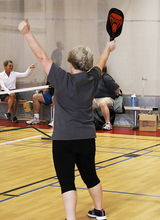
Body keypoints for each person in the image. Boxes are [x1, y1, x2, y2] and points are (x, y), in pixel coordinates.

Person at [19, 18, 115, 220]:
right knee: (91, 175)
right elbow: (101, 62)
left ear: (70, 63)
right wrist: (108, 48)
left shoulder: (61, 79)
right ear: (87, 65)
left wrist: (27, 33)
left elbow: (42, 57)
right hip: (87, 138)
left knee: (67, 182)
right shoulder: (93, 78)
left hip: (63, 140)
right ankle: (99, 211)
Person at [92, 65, 120, 130]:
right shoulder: (96, 79)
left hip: (108, 99)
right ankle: (85, 122)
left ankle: (108, 124)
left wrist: (113, 96)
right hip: (96, 99)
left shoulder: (106, 77)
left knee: (103, 103)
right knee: (85, 102)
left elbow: (117, 89)